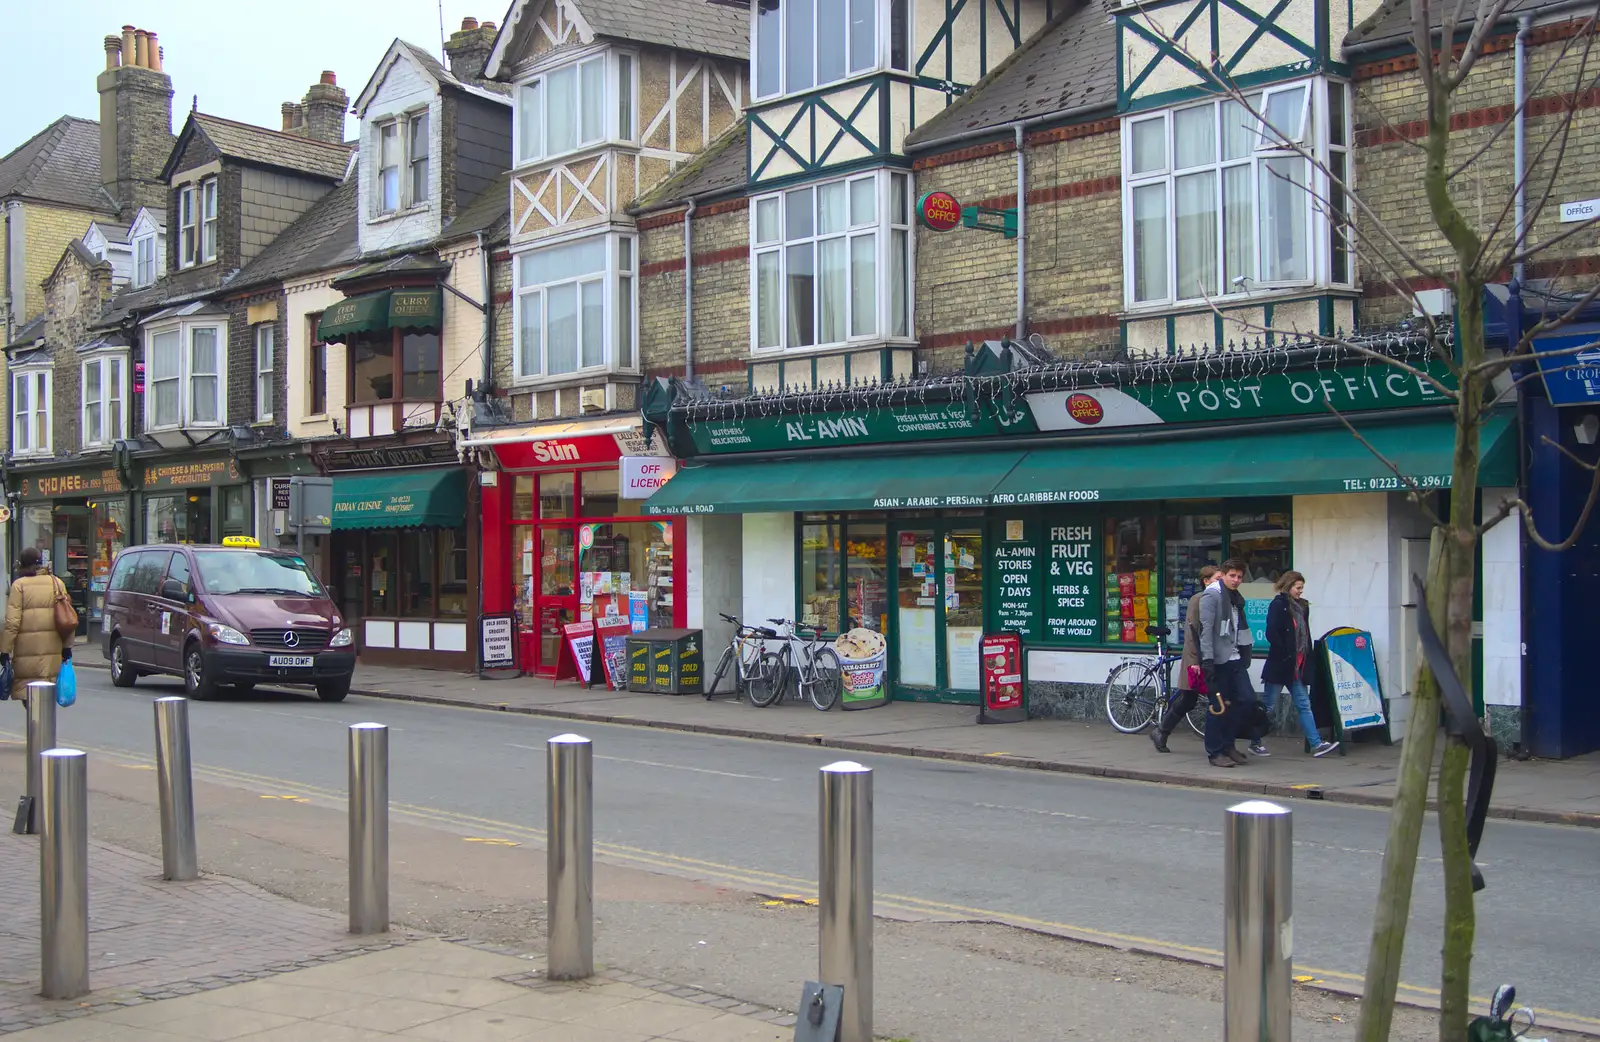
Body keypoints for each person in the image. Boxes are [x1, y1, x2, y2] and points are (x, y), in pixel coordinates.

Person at [1261, 571, 1339, 757]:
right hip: (1281, 665)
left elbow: (1306, 635)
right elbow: (1271, 633)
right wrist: (1285, 654)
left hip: (1297, 667)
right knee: (1268, 707)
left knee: (1304, 704)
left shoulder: (1302, 607)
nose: (1300, 591)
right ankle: (1255, 741)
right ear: (1288, 586)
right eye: (1298, 588)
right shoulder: (1278, 605)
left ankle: (1316, 744)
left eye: (1302, 588)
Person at [1150, 564, 1218, 753]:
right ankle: (1161, 731)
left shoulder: (1220, 599)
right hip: (1197, 658)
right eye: (1217, 579)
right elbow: (1191, 633)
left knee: (1198, 699)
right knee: (1189, 699)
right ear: (1206, 581)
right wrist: (1195, 661)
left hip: (1211, 658)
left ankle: (1161, 731)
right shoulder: (1198, 600)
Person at [1199, 559, 1256, 768]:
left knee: (1246, 699)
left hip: (1236, 657)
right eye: (1232, 575)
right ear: (1223, 575)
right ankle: (1215, 752)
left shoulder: (1236, 598)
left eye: (1240, 577)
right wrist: (1207, 661)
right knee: (1218, 706)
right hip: (1218, 659)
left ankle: (1228, 744)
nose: (1236, 580)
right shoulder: (1211, 595)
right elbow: (1205, 631)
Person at [1, 547, 70, 703]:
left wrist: (5, 651)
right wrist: (67, 648)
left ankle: (36, 726)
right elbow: (68, 621)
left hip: (26, 656)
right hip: (52, 655)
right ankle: (44, 726)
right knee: (46, 700)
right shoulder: (57, 583)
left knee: (30, 699)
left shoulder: (19, 586)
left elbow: (12, 623)